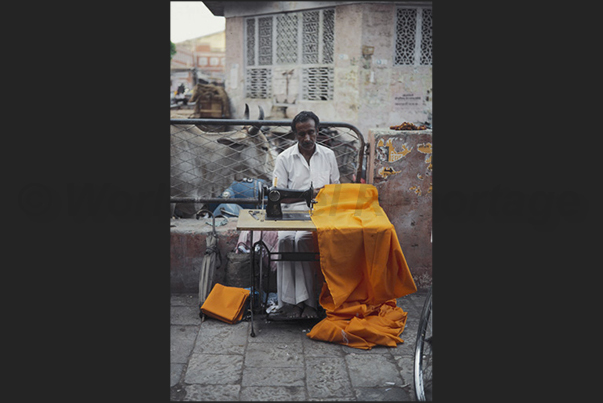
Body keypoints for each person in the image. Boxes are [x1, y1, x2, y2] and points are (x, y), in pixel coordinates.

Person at [272, 111, 340, 319]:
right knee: (284, 240)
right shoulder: (284, 159)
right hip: (292, 212)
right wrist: (306, 195)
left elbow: (336, 189)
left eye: (311, 132)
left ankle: (309, 302)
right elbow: (277, 194)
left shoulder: (328, 155)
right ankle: (288, 302)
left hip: (321, 213)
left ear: (317, 131)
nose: (307, 138)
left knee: (302, 239)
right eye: (302, 134)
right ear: (295, 135)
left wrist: (321, 195)